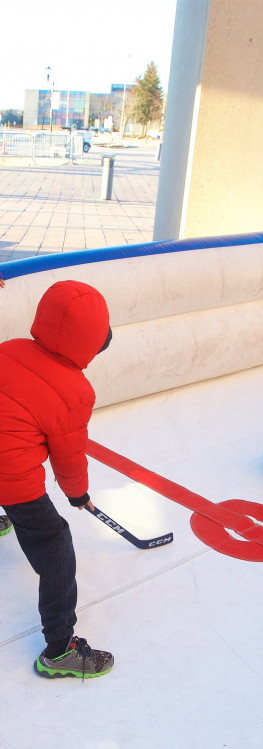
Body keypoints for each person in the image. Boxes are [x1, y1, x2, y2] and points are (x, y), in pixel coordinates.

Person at [0, 279, 115, 679]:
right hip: (10, 479)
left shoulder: (10, 347)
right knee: (55, 544)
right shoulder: (74, 390)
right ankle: (60, 649)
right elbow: (68, 457)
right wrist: (77, 493)